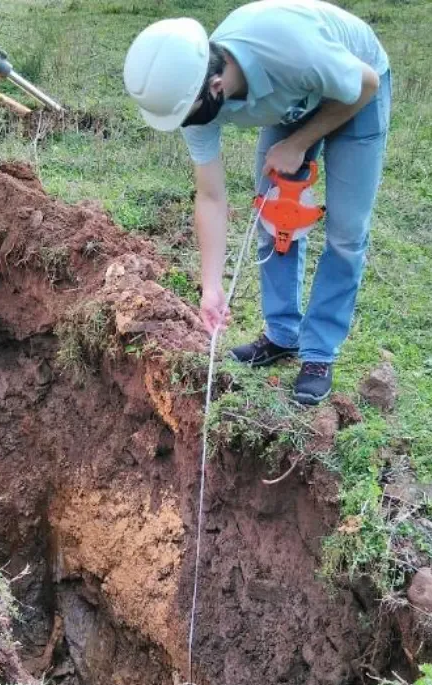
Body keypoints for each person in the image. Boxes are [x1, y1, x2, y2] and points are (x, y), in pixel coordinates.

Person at [123, 0, 391, 405]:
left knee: (346, 233)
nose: (185, 126)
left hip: (357, 85)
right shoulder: (193, 91)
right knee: (273, 214)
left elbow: (365, 83)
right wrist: (211, 286)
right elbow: (211, 196)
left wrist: (298, 143)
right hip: (293, 95)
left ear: (215, 87)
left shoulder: (292, 52)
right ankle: (283, 334)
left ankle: (318, 353)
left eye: (184, 116)